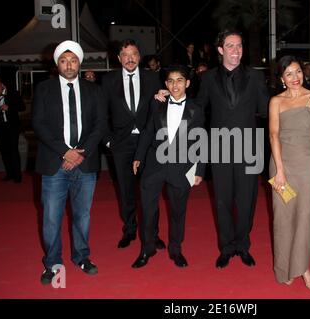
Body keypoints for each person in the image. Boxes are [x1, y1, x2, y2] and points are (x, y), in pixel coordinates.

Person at [169, 30, 269, 268]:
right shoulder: (209, 78)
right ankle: (226, 248)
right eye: (231, 46)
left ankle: (243, 246)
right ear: (221, 50)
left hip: (249, 149)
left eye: (240, 46)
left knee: (246, 202)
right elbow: (198, 109)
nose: (237, 50)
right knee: (222, 202)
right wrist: (173, 99)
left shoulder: (255, 77)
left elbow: (267, 109)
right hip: (219, 149)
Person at [32, 40, 107, 284]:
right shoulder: (43, 89)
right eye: (63, 61)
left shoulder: (94, 90)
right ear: (57, 64)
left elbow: (99, 125)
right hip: (54, 163)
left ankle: (82, 257)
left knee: (82, 215)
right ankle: (52, 263)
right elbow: (39, 125)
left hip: (85, 164)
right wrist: (66, 152)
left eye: (73, 60)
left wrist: (80, 153)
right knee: (52, 217)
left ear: (79, 62)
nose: (68, 64)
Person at [132, 65, 205, 268]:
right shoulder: (157, 104)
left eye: (179, 80)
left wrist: (199, 170)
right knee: (147, 209)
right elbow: (147, 131)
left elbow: (201, 141)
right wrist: (138, 156)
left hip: (182, 167)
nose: (175, 85)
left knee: (178, 212)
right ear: (166, 84)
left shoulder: (196, 109)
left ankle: (176, 250)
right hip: (154, 165)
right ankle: (147, 249)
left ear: (187, 83)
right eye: (171, 81)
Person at [269, 56, 310, 291]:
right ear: (282, 78)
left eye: (298, 72)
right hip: (281, 165)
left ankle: (302, 268)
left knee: (305, 217)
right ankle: (284, 268)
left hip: (307, 166)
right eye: (289, 74)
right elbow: (274, 135)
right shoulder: (276, 101)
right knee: (282, 218)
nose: (295, 78)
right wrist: (280, 170)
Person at [101, 39, 166, 249]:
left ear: (139, 57)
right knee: (127, 191)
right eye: (126, 55)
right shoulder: (108, 81)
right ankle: (129, 230)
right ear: (119, 58)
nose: (130, 59)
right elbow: (101, 114)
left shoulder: (153, 78)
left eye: (134, 54)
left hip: (148, 144)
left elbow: (160, 111)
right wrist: (109, 141)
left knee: (150, 191)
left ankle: (153, 234)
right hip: (121, 145)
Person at [0, 78, 25, 183]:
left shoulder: (13, 93)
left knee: (13, 151)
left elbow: (22, 107)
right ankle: (10, 174)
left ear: (2, 85)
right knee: (4, 152)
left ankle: (17, 177)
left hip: (12, 127)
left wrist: (9, 107)